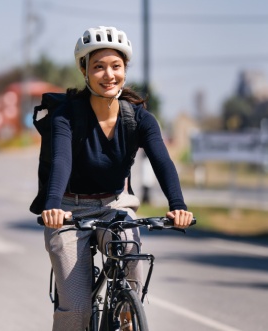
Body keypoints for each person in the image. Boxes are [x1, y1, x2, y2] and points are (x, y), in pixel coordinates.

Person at [41, 26, 193, 331]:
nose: (108, 75)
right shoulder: (66, 116)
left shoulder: (138, 118)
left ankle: (126, 315)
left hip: (115, 203)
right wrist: (54, 206)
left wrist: (178, 205)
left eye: (116, 66)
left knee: (130, 253)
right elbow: (61, 161)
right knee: (78, 308)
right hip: (70, 210)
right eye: (98, 66)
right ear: (84, 71)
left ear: (124, 70)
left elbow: (162, 161)